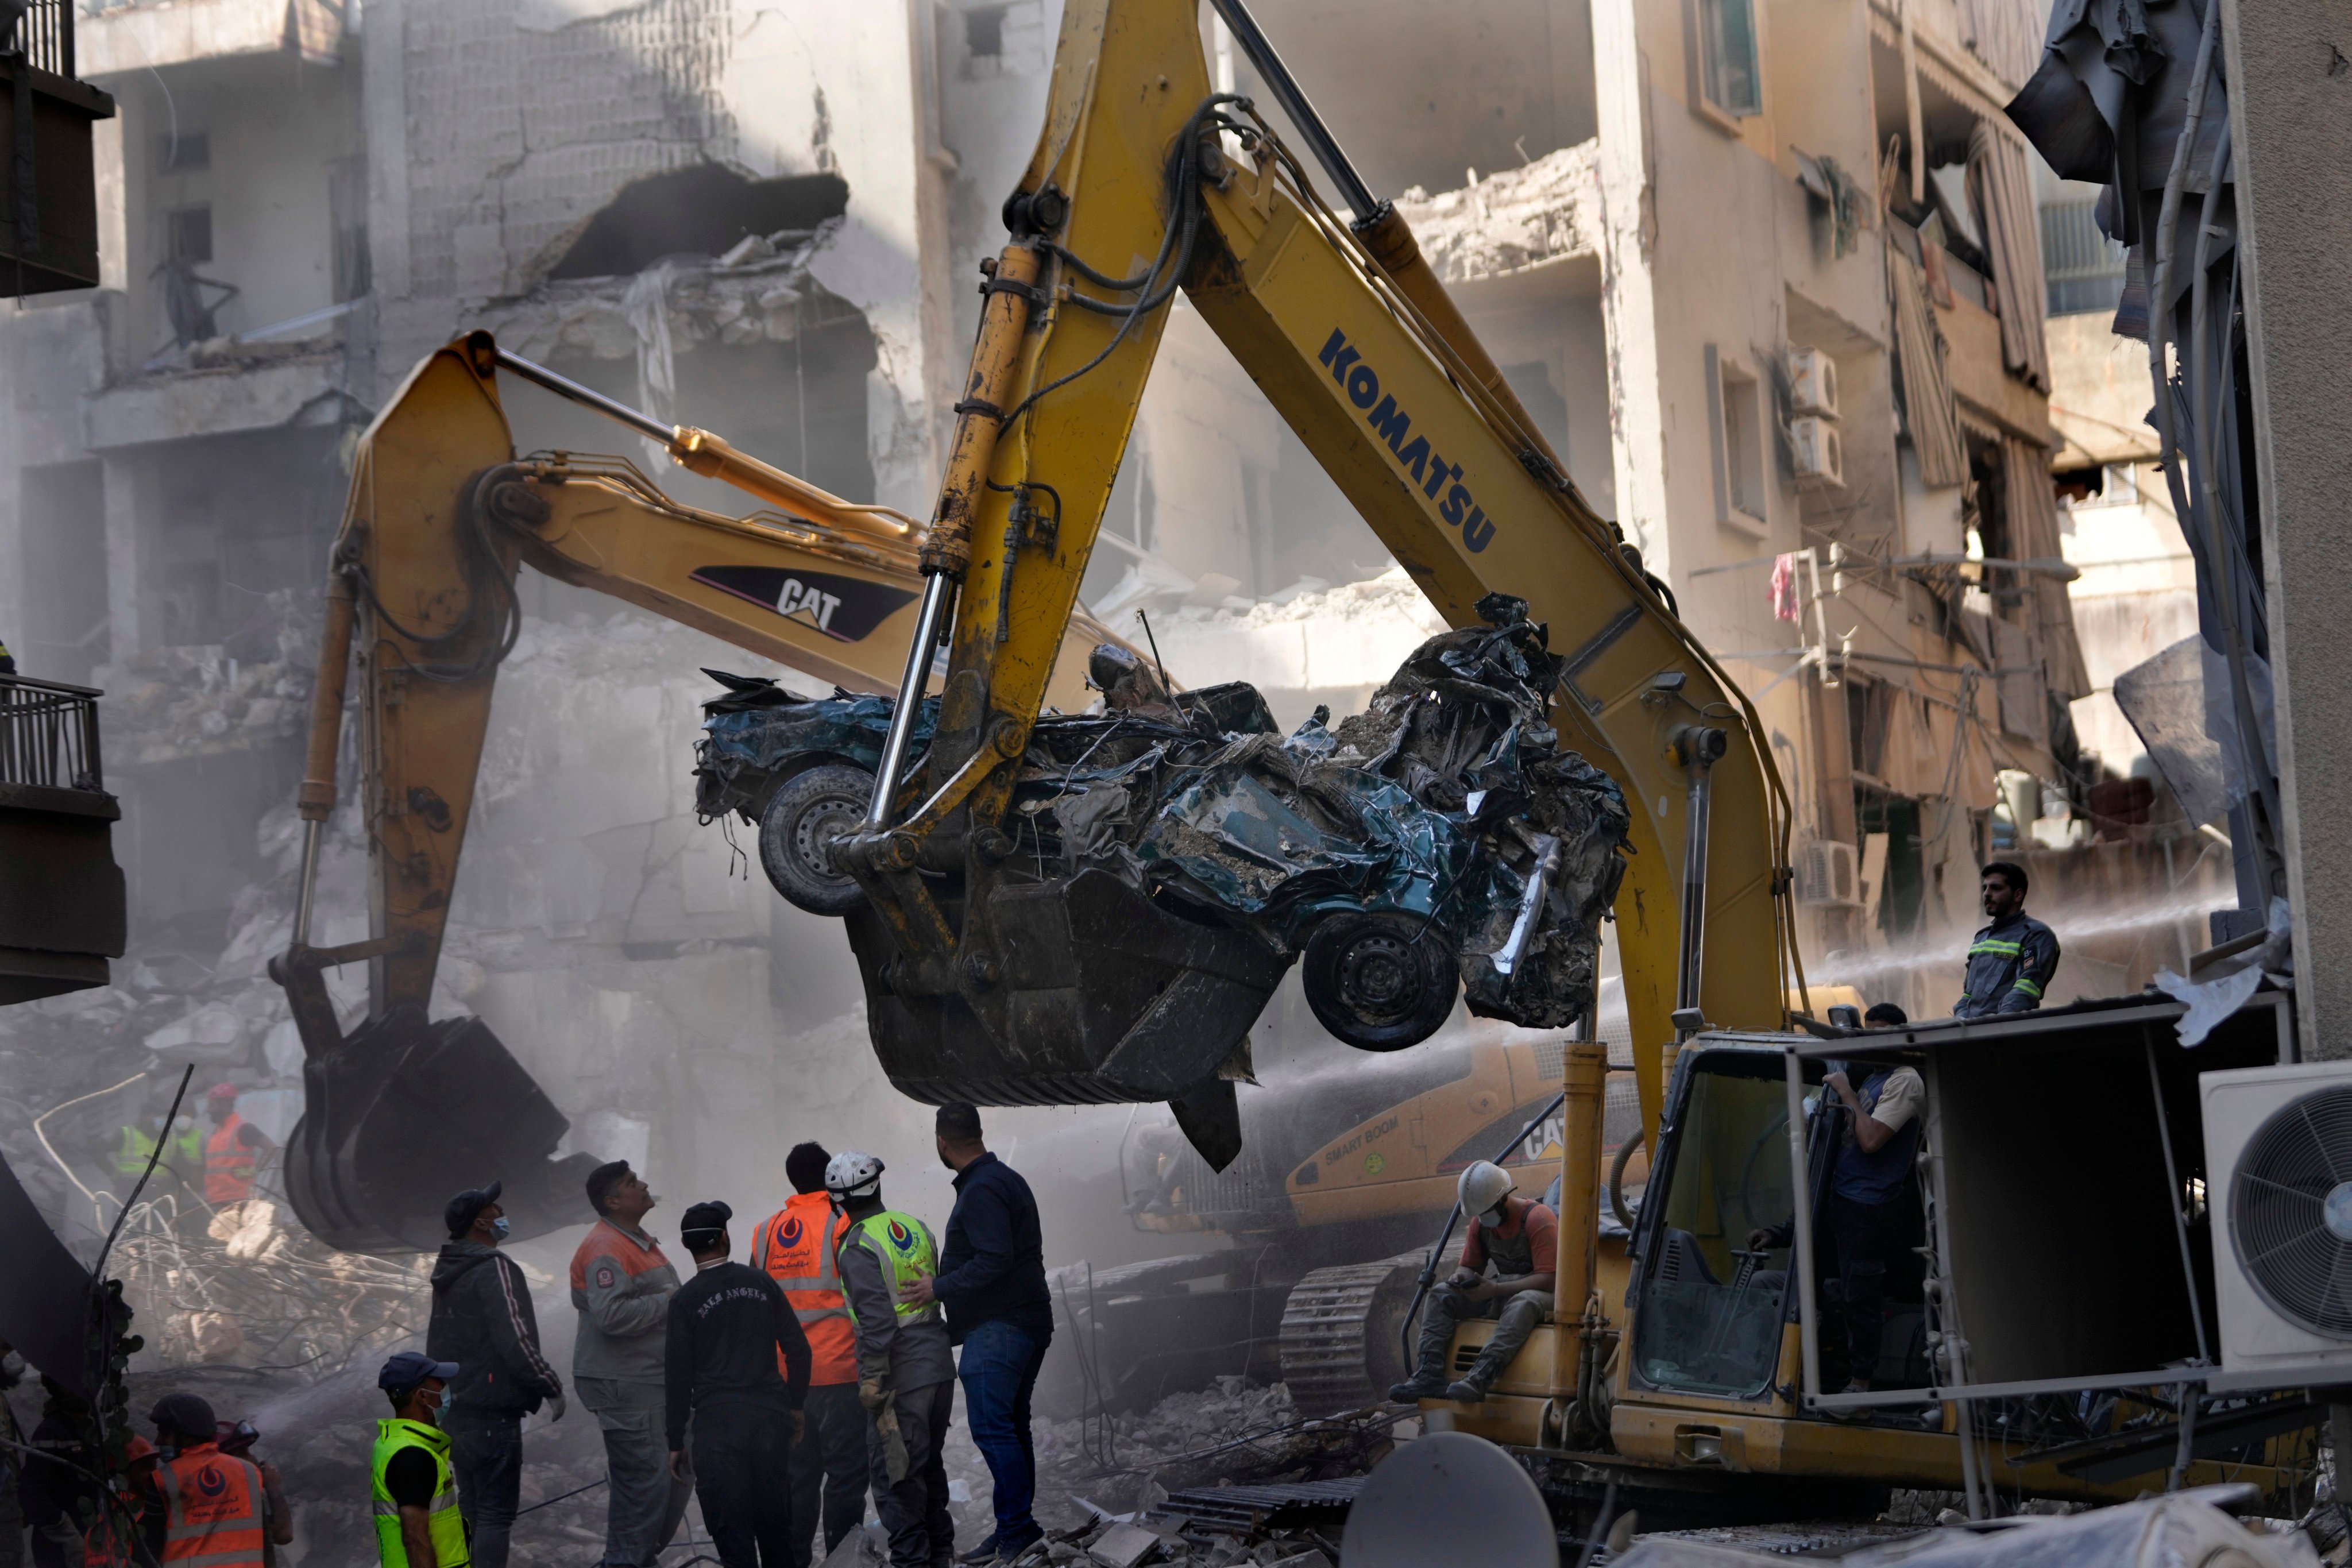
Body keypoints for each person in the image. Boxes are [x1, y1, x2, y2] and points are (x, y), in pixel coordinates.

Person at [901, 1105, 1051, 1565]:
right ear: (979, 1134)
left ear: (941, 1142)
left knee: (993, 1429)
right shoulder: (1003, 1178)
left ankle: (1016, 1531)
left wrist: (937, 1287)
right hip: (1022, 1322)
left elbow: (994, 1258)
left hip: (1001, 1329)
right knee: (1012, 1427)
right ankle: (1016, 1528)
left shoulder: (982, 1189)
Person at [1750, 1005, 1925, 1393]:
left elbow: (1870, 1140)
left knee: (1859, 1296)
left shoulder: (1903, 1080)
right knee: (1810, 1286)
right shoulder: (1872, 1076)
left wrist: (1846, 1093)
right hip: (1840, 1200)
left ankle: (1859, 1386)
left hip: (1867, 1209)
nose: (1868, 1044)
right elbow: (1832, 1157)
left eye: (1878, 1035)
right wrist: (1781, 1233)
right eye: (1865, 1035)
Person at [663, 1200, 812, 1567]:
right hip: (768, 1422)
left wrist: (676, 1441)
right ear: (725, 1238)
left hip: (717, 1430)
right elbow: (799, 1351)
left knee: (733, 1536)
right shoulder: (761, 1282)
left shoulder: (684, 1302)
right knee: (777, 1530)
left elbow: (677, 1377)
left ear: (687, 1246)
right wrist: (794, 1407)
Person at [828, 1153, 956, 1568]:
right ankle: (940, 1556)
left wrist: (871, 1380)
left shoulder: (857, 1244)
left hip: (899, 1378)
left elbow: (877, 1322)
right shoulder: (915, 1227)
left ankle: (913, 1562)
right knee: (927, 1467)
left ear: (838, 1203)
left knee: (894, 1476)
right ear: (877, 1187)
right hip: (937, 1368)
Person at [427, 1182, 565, 1568]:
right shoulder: (492, 1269)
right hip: (491, 1415)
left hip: (455, 1413)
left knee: (472, 1511)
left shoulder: (449, 1271)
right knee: (494, 1516)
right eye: (495, 1208)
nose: (502, 1212)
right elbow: (515, 1340)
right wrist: (550, 1386)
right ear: (482, 1223)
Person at [751, 1142, 868, 1568]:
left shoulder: (765, 1232)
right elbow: (865, 1292)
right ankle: (842, 1559)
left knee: (797, 1480)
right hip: (839, 1372)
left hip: (787, 1382)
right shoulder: (843, 1223)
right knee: (845, 1478)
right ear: (830, 1177)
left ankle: (792, 1563)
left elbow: (756, 1303)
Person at [570, 1160, 690, 1568]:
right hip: (626, 1384)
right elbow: (611, 1316)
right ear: (613, 1201)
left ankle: (639, 1560)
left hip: (646, 1380)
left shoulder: (634, 1239)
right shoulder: (606, 1248)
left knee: (668, 1477)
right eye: (631, 1183)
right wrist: (670, 1301)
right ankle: (625, 1562)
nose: (643, 1185)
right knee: (644, 1485)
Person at [1389, 1161, 1558, 1405]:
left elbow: (1550, 1279)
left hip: (1546, 1295)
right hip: (1505, 1291)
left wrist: (1496, 1289)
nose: (1483, 1218)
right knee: (1440, 1294)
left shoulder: (1538, 1218)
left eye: (1487, 1211)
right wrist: (1460, 1279)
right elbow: (1469, 1267)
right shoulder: (1480, 1224)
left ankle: (1480, 1378)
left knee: (1525, 1302)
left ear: (1503, 1199)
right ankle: (1428, 1374)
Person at [372, 1350, 470, 1568]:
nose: (445, 1388)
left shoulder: (394, 1443)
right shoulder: (412, 1456)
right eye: (439, 1383)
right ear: (423, 1396)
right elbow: (415, 1540)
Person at [149, 1392, 271, 1567]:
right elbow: (267, 1542)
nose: (158, 1440)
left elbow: (148, 1547)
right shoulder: (249, 1472)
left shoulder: (163, 1478)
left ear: (189, 1437)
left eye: (165, 1434)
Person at [1953, 861, 2060, 1018]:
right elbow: (1968, 995)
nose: (1987, 894)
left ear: (2018, 895)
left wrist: (2000, 1025)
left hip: (2009, 1034)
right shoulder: (1981, 938)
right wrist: (1961, 1020)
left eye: (1996, 888)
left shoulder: (2036, 935)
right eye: (1985, 888)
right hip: (1974, 1035)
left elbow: (2026, 989)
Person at [21, 1376, 98, 1568]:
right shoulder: (50, 1432)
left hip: (90, 1538)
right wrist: (67, 1535)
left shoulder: (93, 1430)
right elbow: (32, 1494)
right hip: (57, 1549)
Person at [202, 1084, 273, 1206]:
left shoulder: (243, 1128)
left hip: (239, 1200)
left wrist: (255, 1170)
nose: (208, 1110)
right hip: (216, 1200)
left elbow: (271, 1148)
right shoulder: (216, 1133)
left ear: (225, 1104)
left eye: (212, 1105)